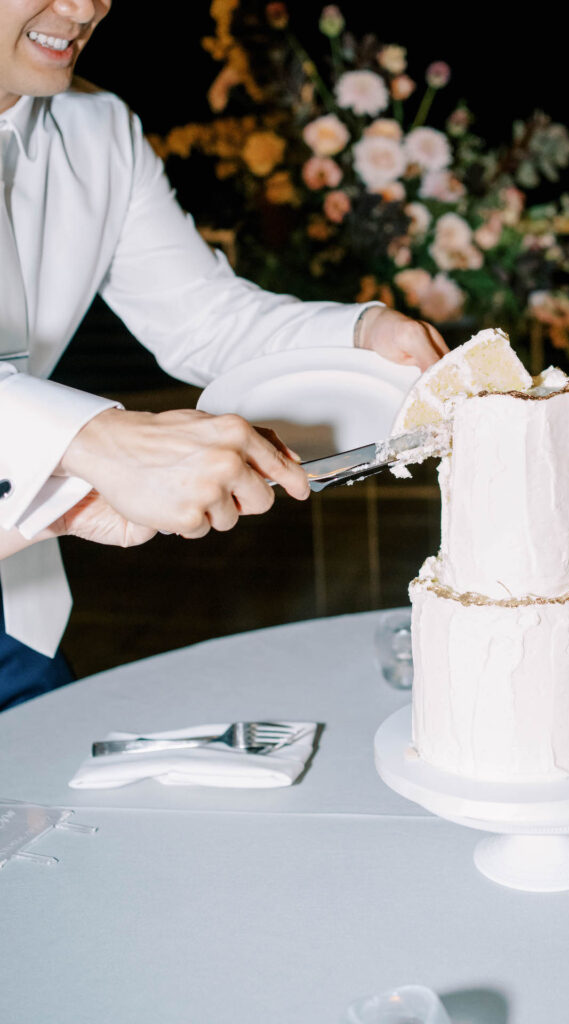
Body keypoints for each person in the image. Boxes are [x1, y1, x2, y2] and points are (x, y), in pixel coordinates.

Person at [0, 0, 448, 707]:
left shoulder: (100, 128)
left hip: (18, 606)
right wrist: (98, 438)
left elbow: (201, 318)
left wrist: (361, 334)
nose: (83, 8)